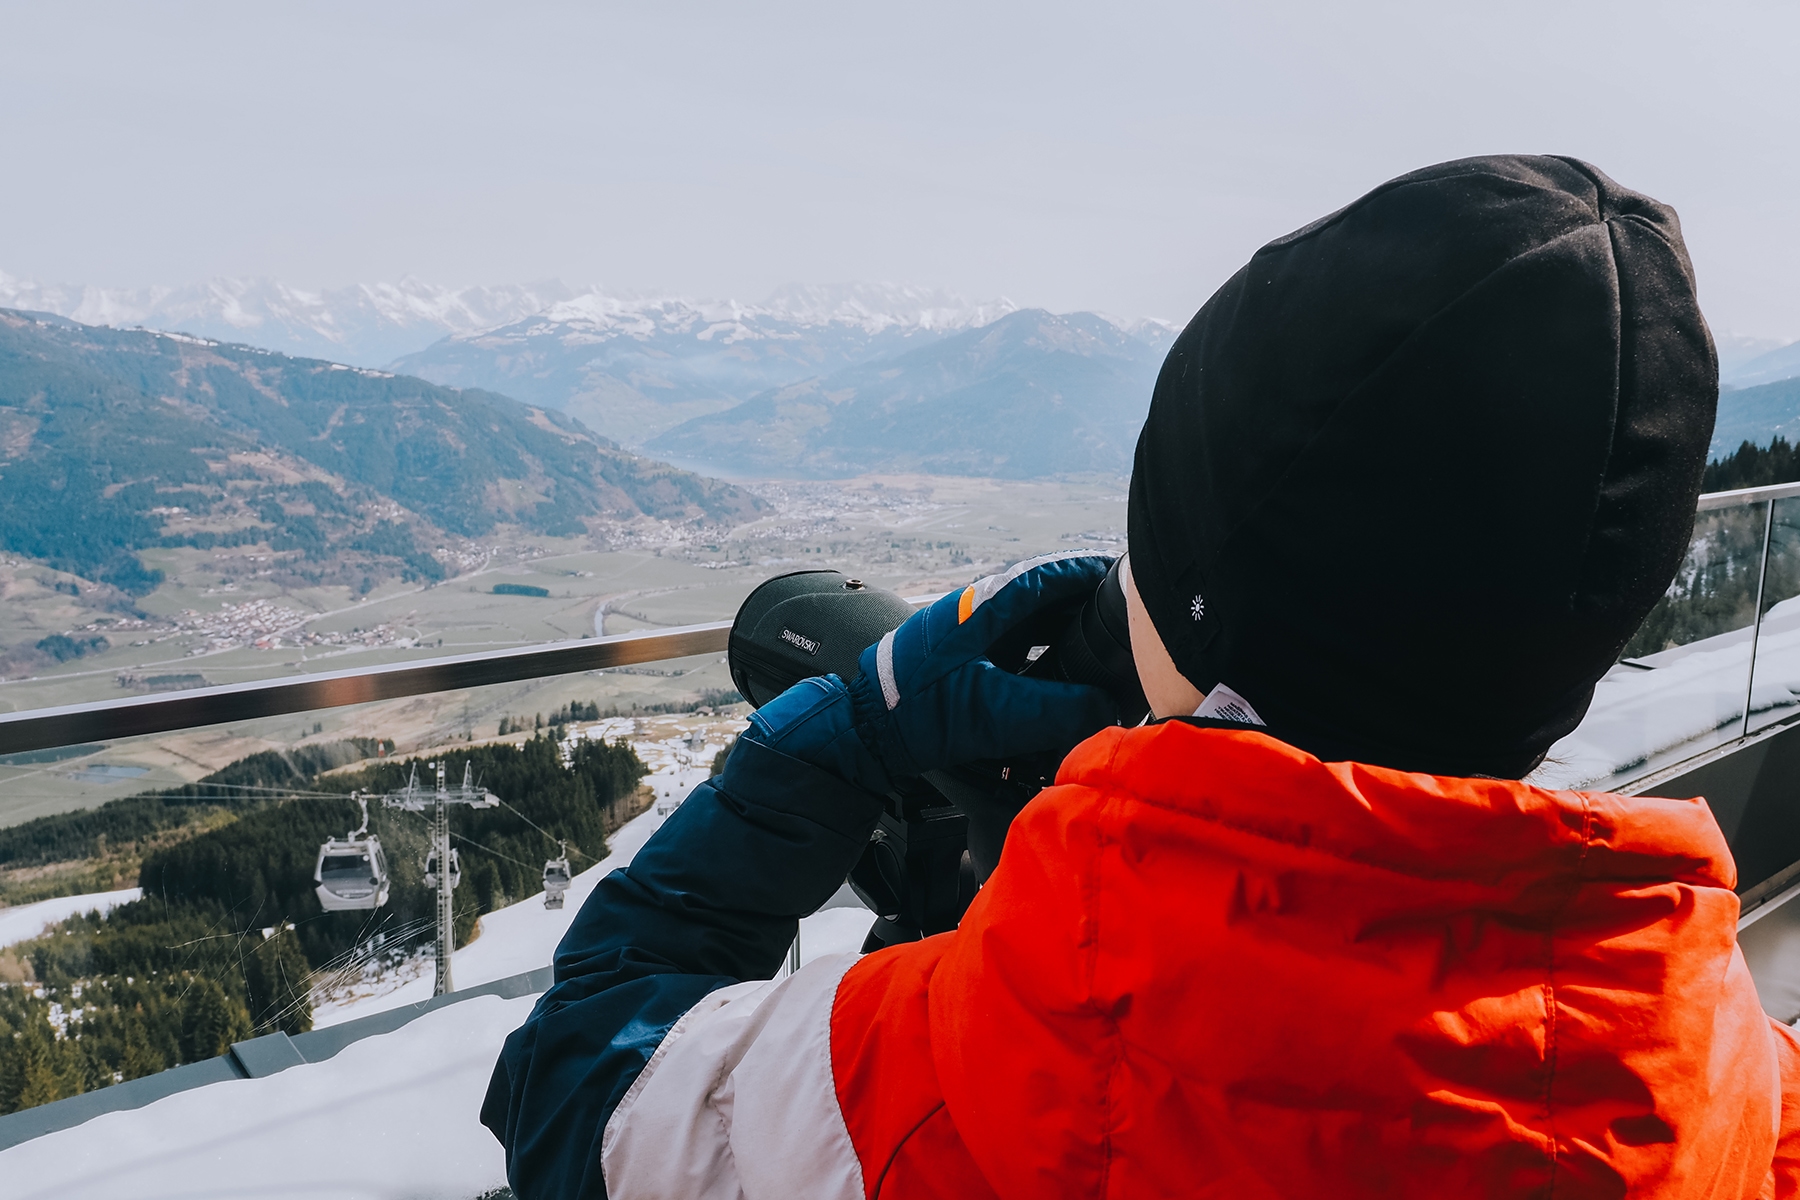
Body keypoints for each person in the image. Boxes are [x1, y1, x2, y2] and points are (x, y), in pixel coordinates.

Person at [482, 155, 1800, 1198]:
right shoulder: (1736, 1090)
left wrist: (831, 744)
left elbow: (579, 1097)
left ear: (1209, 607)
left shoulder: (951, 1086)